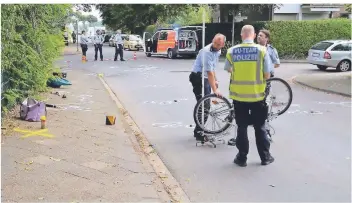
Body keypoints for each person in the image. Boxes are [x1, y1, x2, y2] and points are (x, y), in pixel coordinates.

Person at [224, 25, 274, 167]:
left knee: (242, 127)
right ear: (254, 35)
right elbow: (267, 74)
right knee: (260, 127)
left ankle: (241, 158)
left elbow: (228, 69)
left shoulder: (232, 51)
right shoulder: (262, 51)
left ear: (241, 35)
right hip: (258, 96)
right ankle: (265, 157)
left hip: (239, 97)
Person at [189, 33, 226, 142]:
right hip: (198, 77)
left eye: (218, 44)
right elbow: (209, 72)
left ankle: (199, 130)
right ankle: (199, 132)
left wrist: (216, 79)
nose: (216, 45)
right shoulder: (207, 51)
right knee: (204, 106)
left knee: (205, 106)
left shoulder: (218, 51)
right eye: (214, 42)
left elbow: (213, 68)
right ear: (212, 40)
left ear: (222, 45)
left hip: (205, 78)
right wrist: (215, 90)